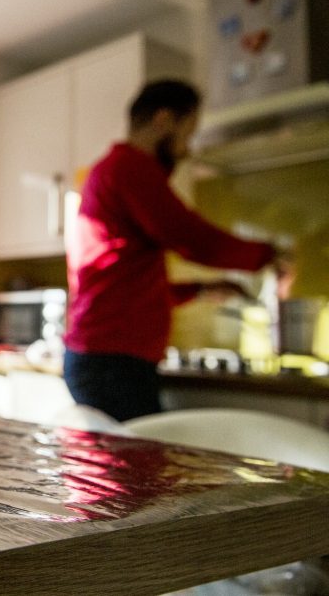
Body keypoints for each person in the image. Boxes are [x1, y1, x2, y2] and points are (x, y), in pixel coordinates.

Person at [63, 79, 291, 422]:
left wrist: (200, 289)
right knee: (136, 471)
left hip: (101, 355)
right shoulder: (129, 168)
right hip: (112, 361)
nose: (187, 150)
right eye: (188, 132)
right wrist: (267, 255)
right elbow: (190, 238)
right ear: (163, 120)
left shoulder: (109, 171)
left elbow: (124, 289)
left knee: (124, 468)